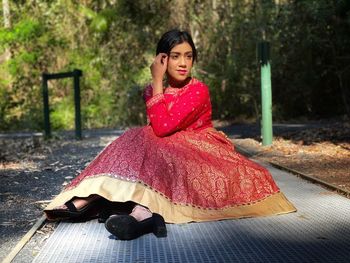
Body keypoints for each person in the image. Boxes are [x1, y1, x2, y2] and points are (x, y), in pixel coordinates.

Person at [44, 29, 296, 240]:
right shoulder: (152, 90)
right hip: (167, 152)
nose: (183, 63)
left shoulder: (198, 90)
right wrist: (156, 85)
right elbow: (159, 130)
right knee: (139, 137)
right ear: (162, 60)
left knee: (148, 137)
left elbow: (164, 127)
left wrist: (156, 83)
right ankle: (113, 204)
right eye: (175, 56)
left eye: (188, 56)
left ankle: (127, 210)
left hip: (200, 152)